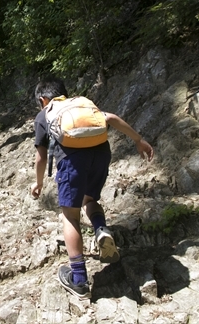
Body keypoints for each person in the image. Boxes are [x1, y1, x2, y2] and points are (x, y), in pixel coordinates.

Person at [30, 78, 154, 299]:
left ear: (43, 99)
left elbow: (41, 157)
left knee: (70, 217)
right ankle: (100, 229)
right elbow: (112, 118)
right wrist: (138, 140)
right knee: (90, 200)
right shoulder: (82, 104)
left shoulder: (44, 114)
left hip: (72, 161)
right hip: (101, 154)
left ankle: (78, 279)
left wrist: (38, 183)